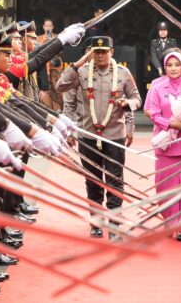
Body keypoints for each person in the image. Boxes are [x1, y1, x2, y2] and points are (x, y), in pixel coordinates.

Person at [56, 36, 141, 241]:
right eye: (97, 51)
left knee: (115, 181)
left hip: (115, 136)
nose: (101, 55)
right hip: (88, 135)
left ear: (112, 52)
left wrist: (127, 110)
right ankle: (96, 221)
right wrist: (80, 61)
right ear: (91, 52)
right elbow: (60, 86)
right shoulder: (82, 73)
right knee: (92, 181)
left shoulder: (123, 73)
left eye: (104, 51)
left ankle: (114, 223)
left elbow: (137, 99)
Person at [144, 48, 181, 242]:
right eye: (169, 65)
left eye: (177, 64)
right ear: (163, 67)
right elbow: (151, 112)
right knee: (165, 186)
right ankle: (169, 220)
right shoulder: (157, 85)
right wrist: (169, 123)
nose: (174, 68)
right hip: (166, 143)